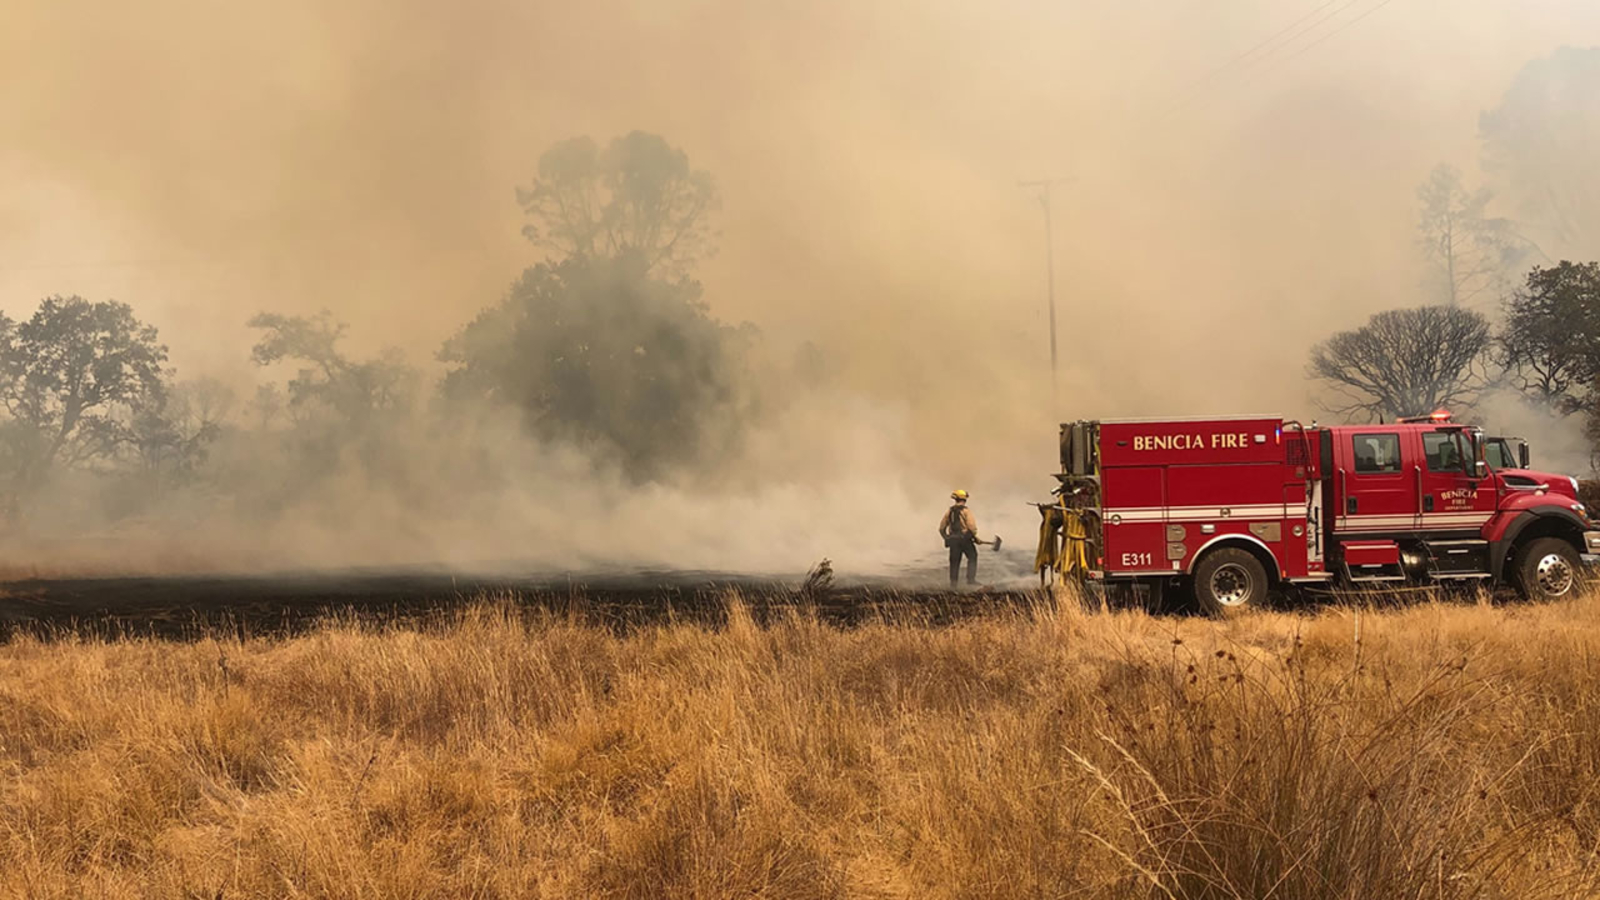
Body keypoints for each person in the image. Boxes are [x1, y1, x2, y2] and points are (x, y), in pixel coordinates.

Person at [939, 489, 979, 588]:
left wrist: (946, 538)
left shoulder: (950, 511)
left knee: (954, 562)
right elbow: (971, 527)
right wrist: (974, 536)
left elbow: (941, 528)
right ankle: (971, 580)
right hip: (965, 540)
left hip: (953, 541)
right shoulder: (966, 511)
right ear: (964, 499)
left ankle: (953, 584)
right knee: (973, 557)